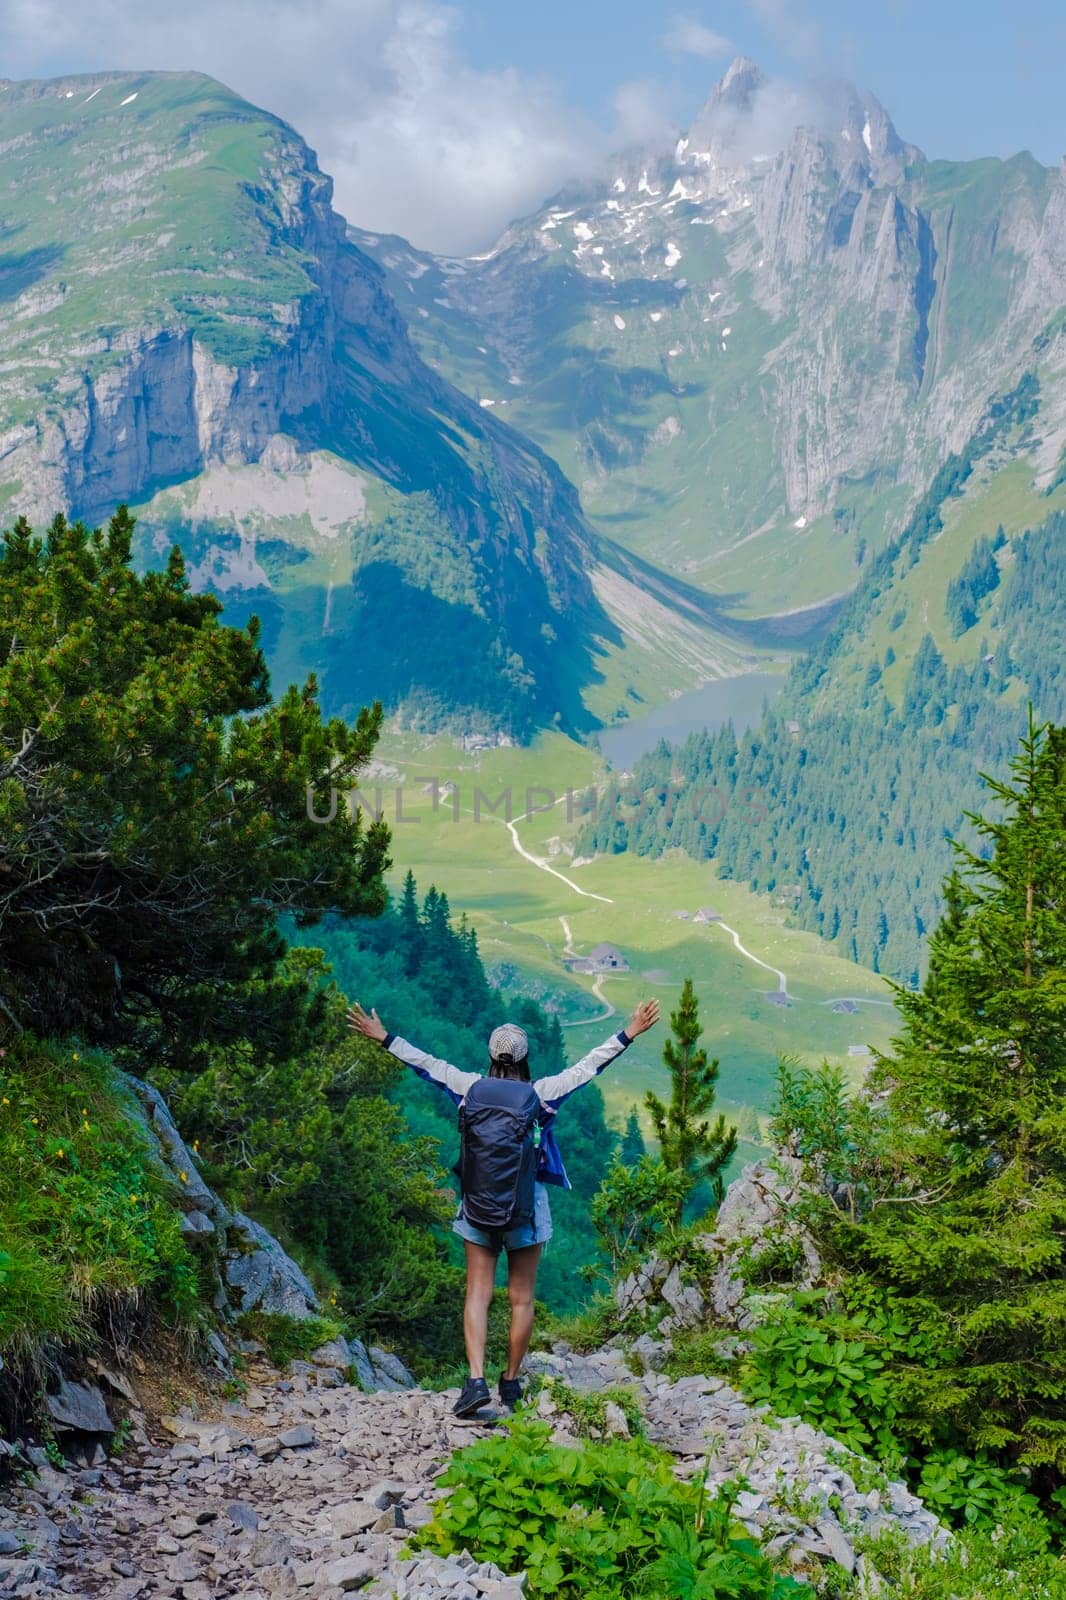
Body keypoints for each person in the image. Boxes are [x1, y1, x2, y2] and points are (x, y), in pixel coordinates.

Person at [347, 997, 660, 1415]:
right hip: (527, 1207)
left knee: (477, 1293)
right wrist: (629, 1032)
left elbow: (426, 1064)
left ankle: (474, 1381)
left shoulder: (468, 1088)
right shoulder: (541, 1095)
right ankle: (510, 1384)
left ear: (491, 1056)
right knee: (521, 1298)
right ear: (525, 1057)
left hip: (477, 1203)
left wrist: (383, 1037)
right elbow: (588, 1068)